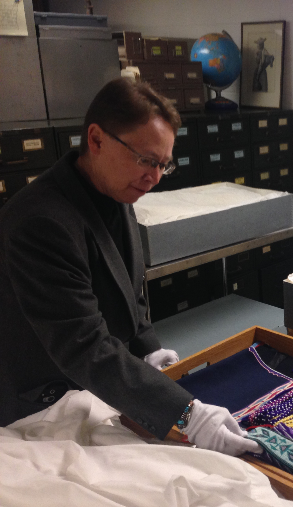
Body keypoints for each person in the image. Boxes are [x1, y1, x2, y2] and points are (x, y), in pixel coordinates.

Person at [0, 78, 260, 457]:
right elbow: (84, 347)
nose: (153, 177)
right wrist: (188, 417)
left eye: (163, 165)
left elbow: (129, 291)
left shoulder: (115, 188)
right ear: (96, 139)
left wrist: (148, 349)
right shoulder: (42, 222)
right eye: (145, 160)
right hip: (40, 402)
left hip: (98, 380)